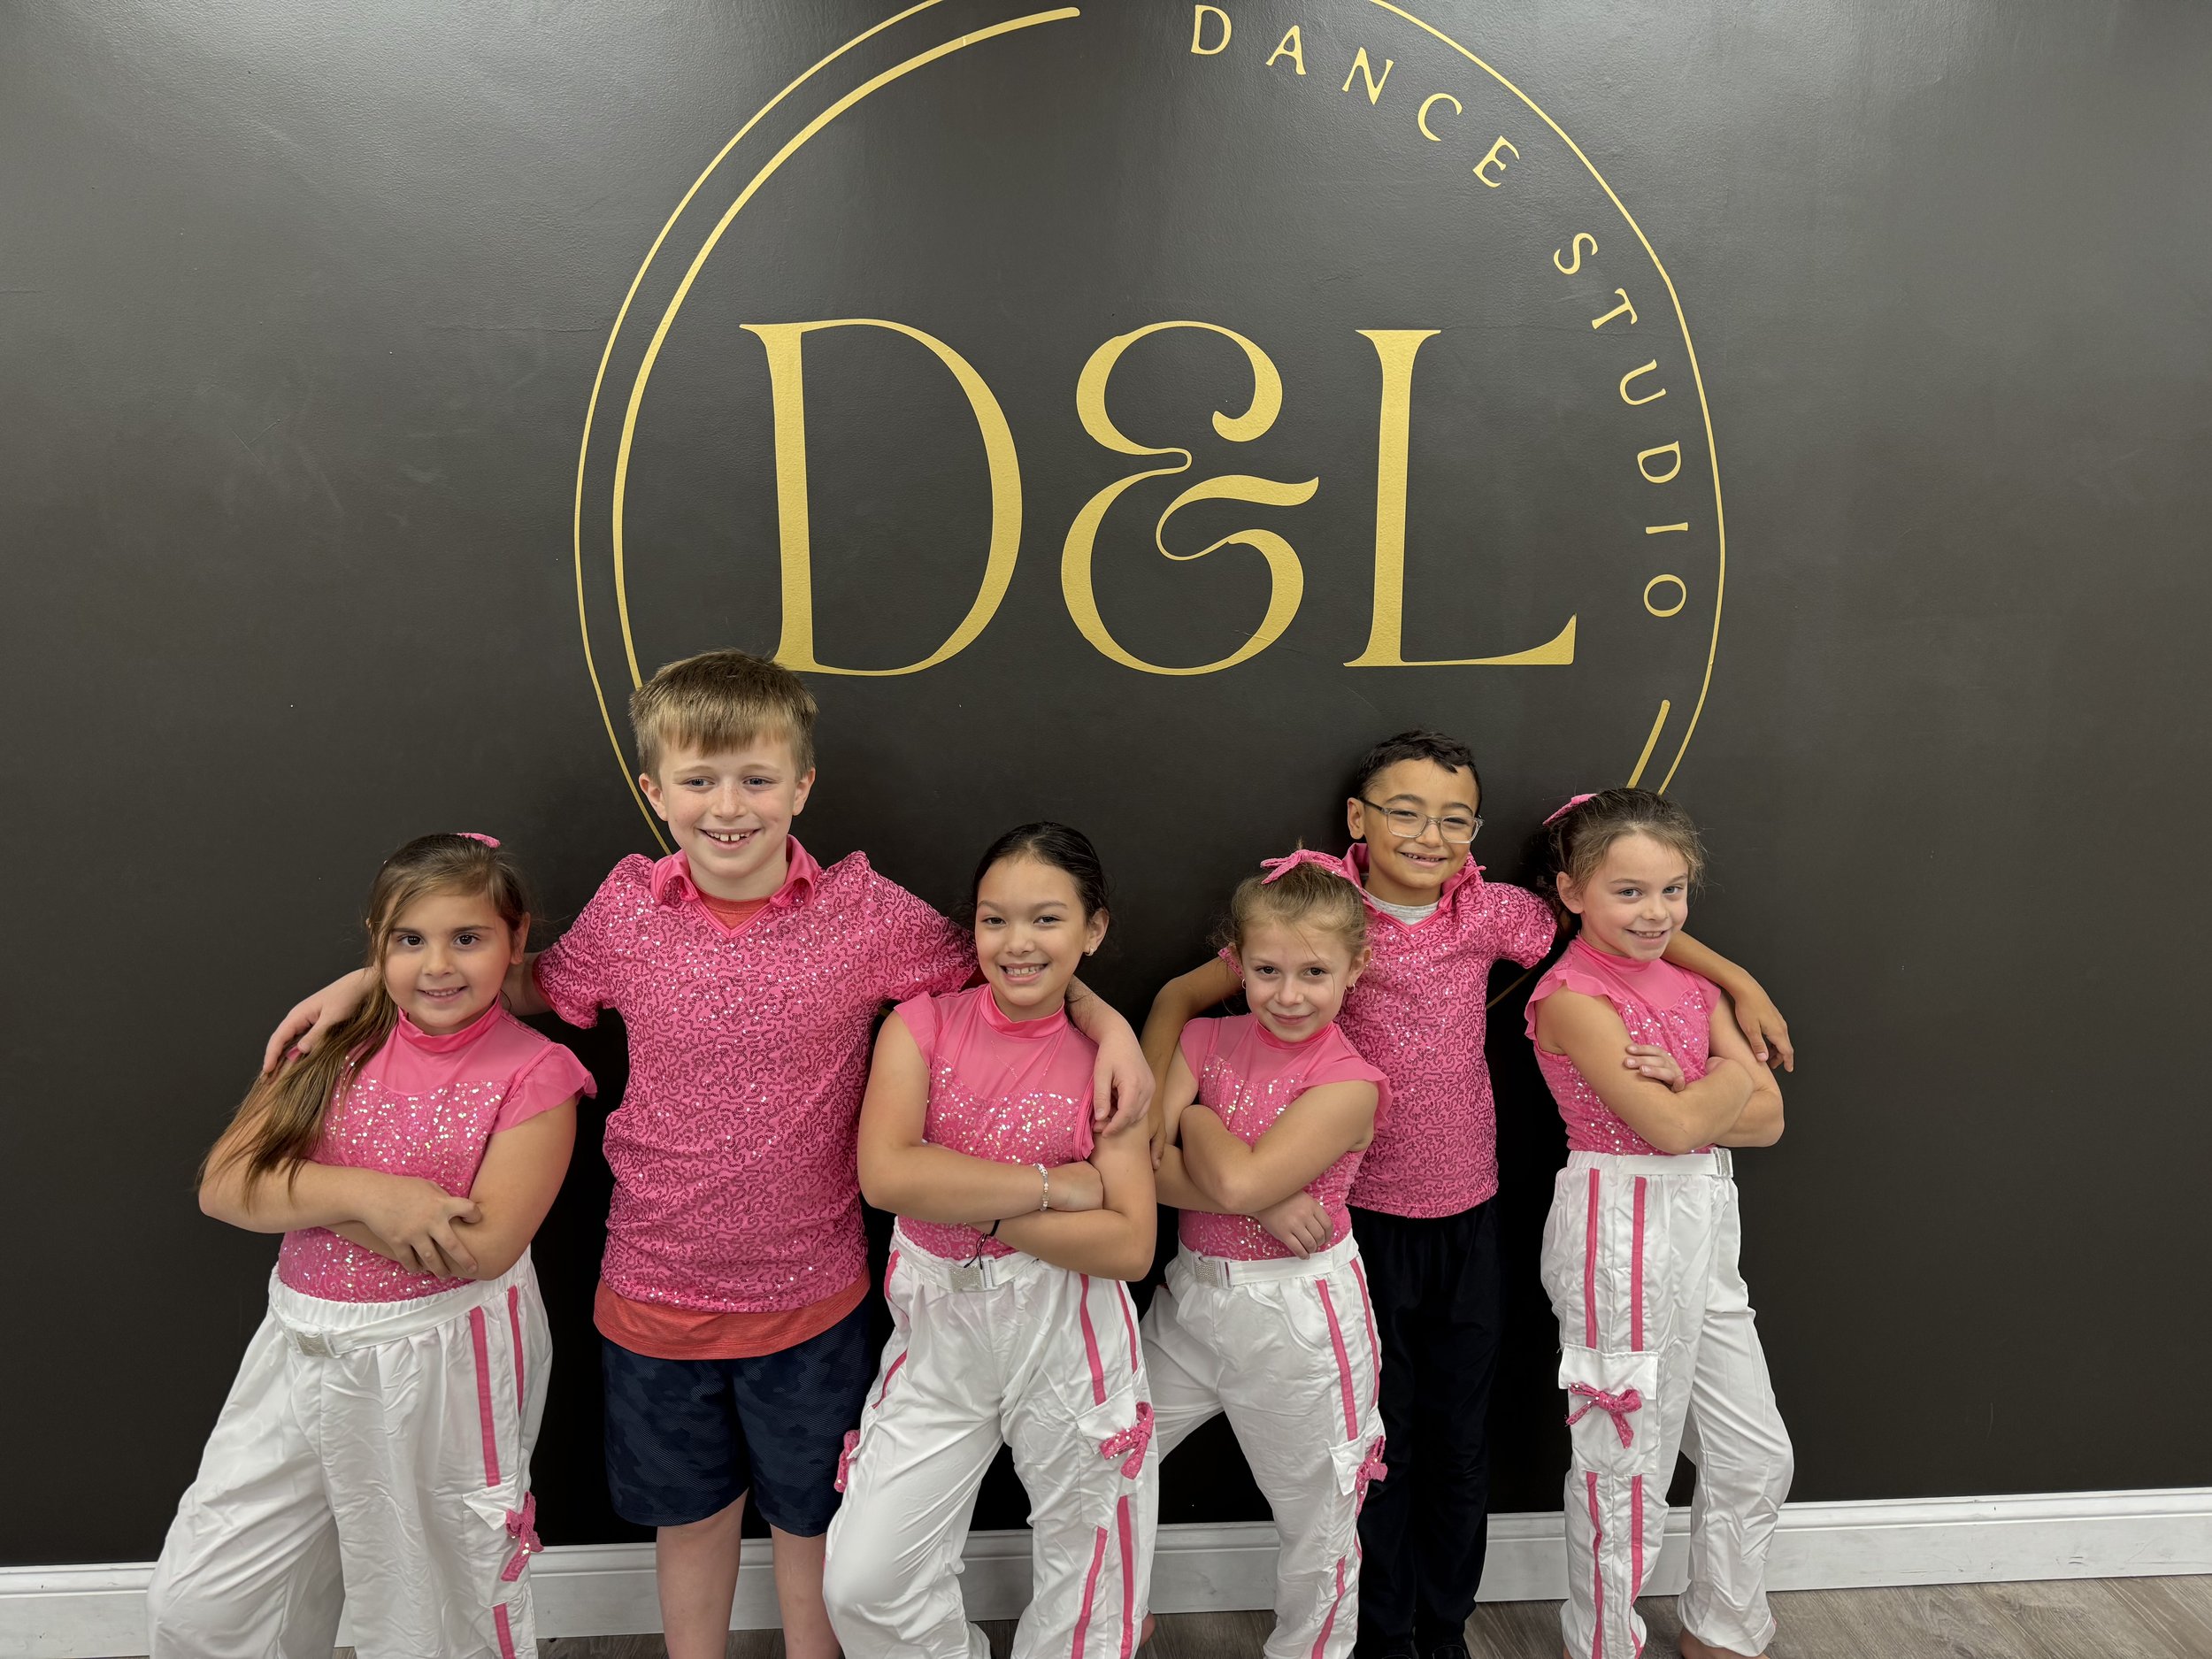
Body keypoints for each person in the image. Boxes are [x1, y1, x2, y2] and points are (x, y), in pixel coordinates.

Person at [262, 652, 1154, 1659]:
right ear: (654, 790)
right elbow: (513, 983)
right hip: (653, 1286)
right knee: (687, 1524)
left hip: (812, 1296)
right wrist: (363, 983)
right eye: (698, 781)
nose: (728, 807)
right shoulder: (630, 909)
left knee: (810, 1528)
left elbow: (1011, 961)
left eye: (756, 780)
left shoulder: (863, 913)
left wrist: (1106, 1019)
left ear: (801, 785)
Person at [1144, 732, 1791, 1659]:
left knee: (1457, 1437)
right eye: (1404, 812)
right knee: (1380, 1438)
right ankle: (1384, 1627)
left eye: (1453, 818)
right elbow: (1186, 995)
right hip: (1357, 1219)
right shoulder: (1324, 910)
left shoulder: (1491, 915)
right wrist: (1148, 1109)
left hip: (1470, 1214)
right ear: (1359, 819)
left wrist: (1734, 976)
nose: (1429, 834)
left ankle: (1444, 1624)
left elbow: (1613, 916)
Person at [150, 833, 589, 1659]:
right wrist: (372, 1196)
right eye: (409, 939)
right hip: (298, 1351)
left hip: (441, 1362)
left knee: (432, 1611)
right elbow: (223, 1184)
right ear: (376, 941)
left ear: (515, 938)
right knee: (202, 1603)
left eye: (468, 937)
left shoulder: (534, 1073)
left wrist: (298, 1197)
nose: (438, 965)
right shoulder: (333, 1043)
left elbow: (483, 1245)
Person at [825, 823, 1158, 1659]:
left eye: (1047, 920)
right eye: (993, 920)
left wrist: (985, 1208)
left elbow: (1127, 1246)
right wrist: (1056, 1186)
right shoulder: (922, 1024)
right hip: (939, 1329)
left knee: (1091, 1587)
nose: (1016, 945)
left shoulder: (1111, 1060)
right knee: (863, 1581)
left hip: (1068, 1325)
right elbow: (888, 1176)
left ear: (1095, 928)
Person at [1528, 788, 1789, 1659]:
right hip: (1620, 1223)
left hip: (1706, 1216)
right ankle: (1603, 1642)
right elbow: (1672, 1128)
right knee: (1623, 1469)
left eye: (1672, 891)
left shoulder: (1689, 983)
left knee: (1754, 1455)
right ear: (1572, 893)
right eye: (1629, 892)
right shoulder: (1571, 997)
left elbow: (1769, 1118)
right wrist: (1713, 1079)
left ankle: (1722, 1628)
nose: (1656, 913)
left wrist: (1688, 1081)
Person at [1142, 851, 1391, 1658]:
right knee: (1104, 1447)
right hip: (1189, 1299)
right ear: (1238, 964)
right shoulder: (1205, 1034)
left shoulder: (1350, 1080)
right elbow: (1141, 1163)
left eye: (1314, 971)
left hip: (1300, 1317)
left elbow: (1237, 1174)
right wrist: (1258, 1194)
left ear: (1355, 968)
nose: (1289, 993)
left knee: (1317, 1514)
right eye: (1267, 970)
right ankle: (1113, 1614)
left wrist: (1204, 1128)